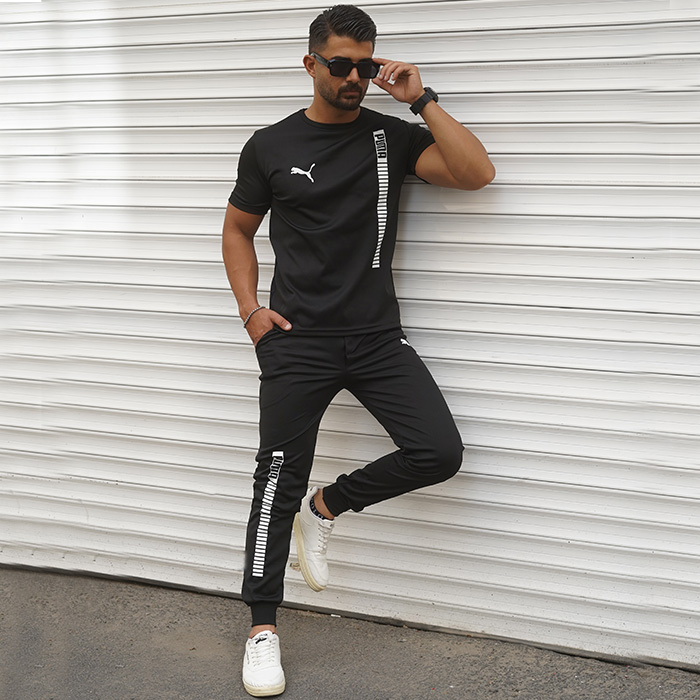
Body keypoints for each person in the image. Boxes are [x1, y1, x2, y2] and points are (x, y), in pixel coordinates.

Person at [222, 4, 495, 696]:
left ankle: (328, 506)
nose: (353, 77)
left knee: (438, 451)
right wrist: (251, 312)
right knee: (274, 482)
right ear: (311, 63)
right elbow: (237, 229)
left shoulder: (389, 136)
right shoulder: (270, 145)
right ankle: (261, 628)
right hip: (298, 342)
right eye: (341, 64)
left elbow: (476, 173)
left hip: (376, 337)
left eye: (365, 66)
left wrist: (421, 100)